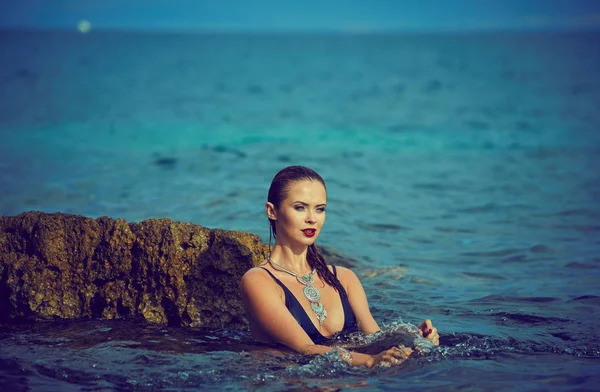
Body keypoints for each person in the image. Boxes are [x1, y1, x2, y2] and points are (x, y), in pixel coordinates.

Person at [240, 166, 439, 367]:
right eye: (300, 207)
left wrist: (413, 341)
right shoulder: (259, 281)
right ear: (272, 211)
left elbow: (375, 340)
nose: (312, 218)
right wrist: (370, 361)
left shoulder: (344, 279)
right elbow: (304, 349)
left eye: (320, 209)